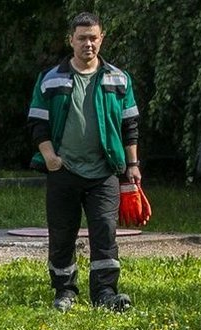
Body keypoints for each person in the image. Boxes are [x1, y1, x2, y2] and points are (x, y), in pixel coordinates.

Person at [27, 11, 140, 312]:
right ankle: (64, 292)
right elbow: (38, 124)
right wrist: (50, 157)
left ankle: (104, 293)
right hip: (64, 171)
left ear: (101, 39)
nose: (88, 44)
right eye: (82, 38)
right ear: (71, 40)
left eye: (93, 38)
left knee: (105, 233)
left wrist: (133, 165)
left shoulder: (119, 78)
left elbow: (130, 127)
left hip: (104, 173)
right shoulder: (51, 79)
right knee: (62, 234)